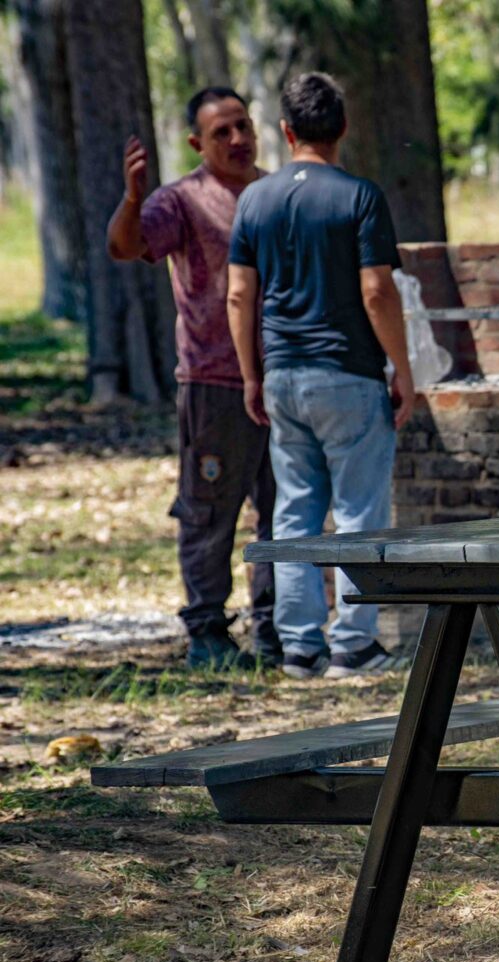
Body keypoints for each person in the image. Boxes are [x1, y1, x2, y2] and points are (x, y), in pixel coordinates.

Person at [227, 71, 416, 680]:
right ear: (344, 128)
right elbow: (377, 290)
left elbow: (239, 295)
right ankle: (354, 644)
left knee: (294, 512)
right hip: (349, 372)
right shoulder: (360, 196)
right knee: (359, 512)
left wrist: (251, 375)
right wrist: (402, 369)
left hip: (283, 373)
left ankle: (300, 646)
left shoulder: (254, 200)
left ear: (286, 131)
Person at [107, 87, 278, 671]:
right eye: (221, 132)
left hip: (283, 380)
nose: (238, 139)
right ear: (196, 143)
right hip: (214, 382)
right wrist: (132, 198)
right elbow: (124, 246)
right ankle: (208, 631)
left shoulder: (275, 193)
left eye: (243, 126)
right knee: (208, 510)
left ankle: (275, 627)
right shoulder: (181, 200)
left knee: (282, 512)